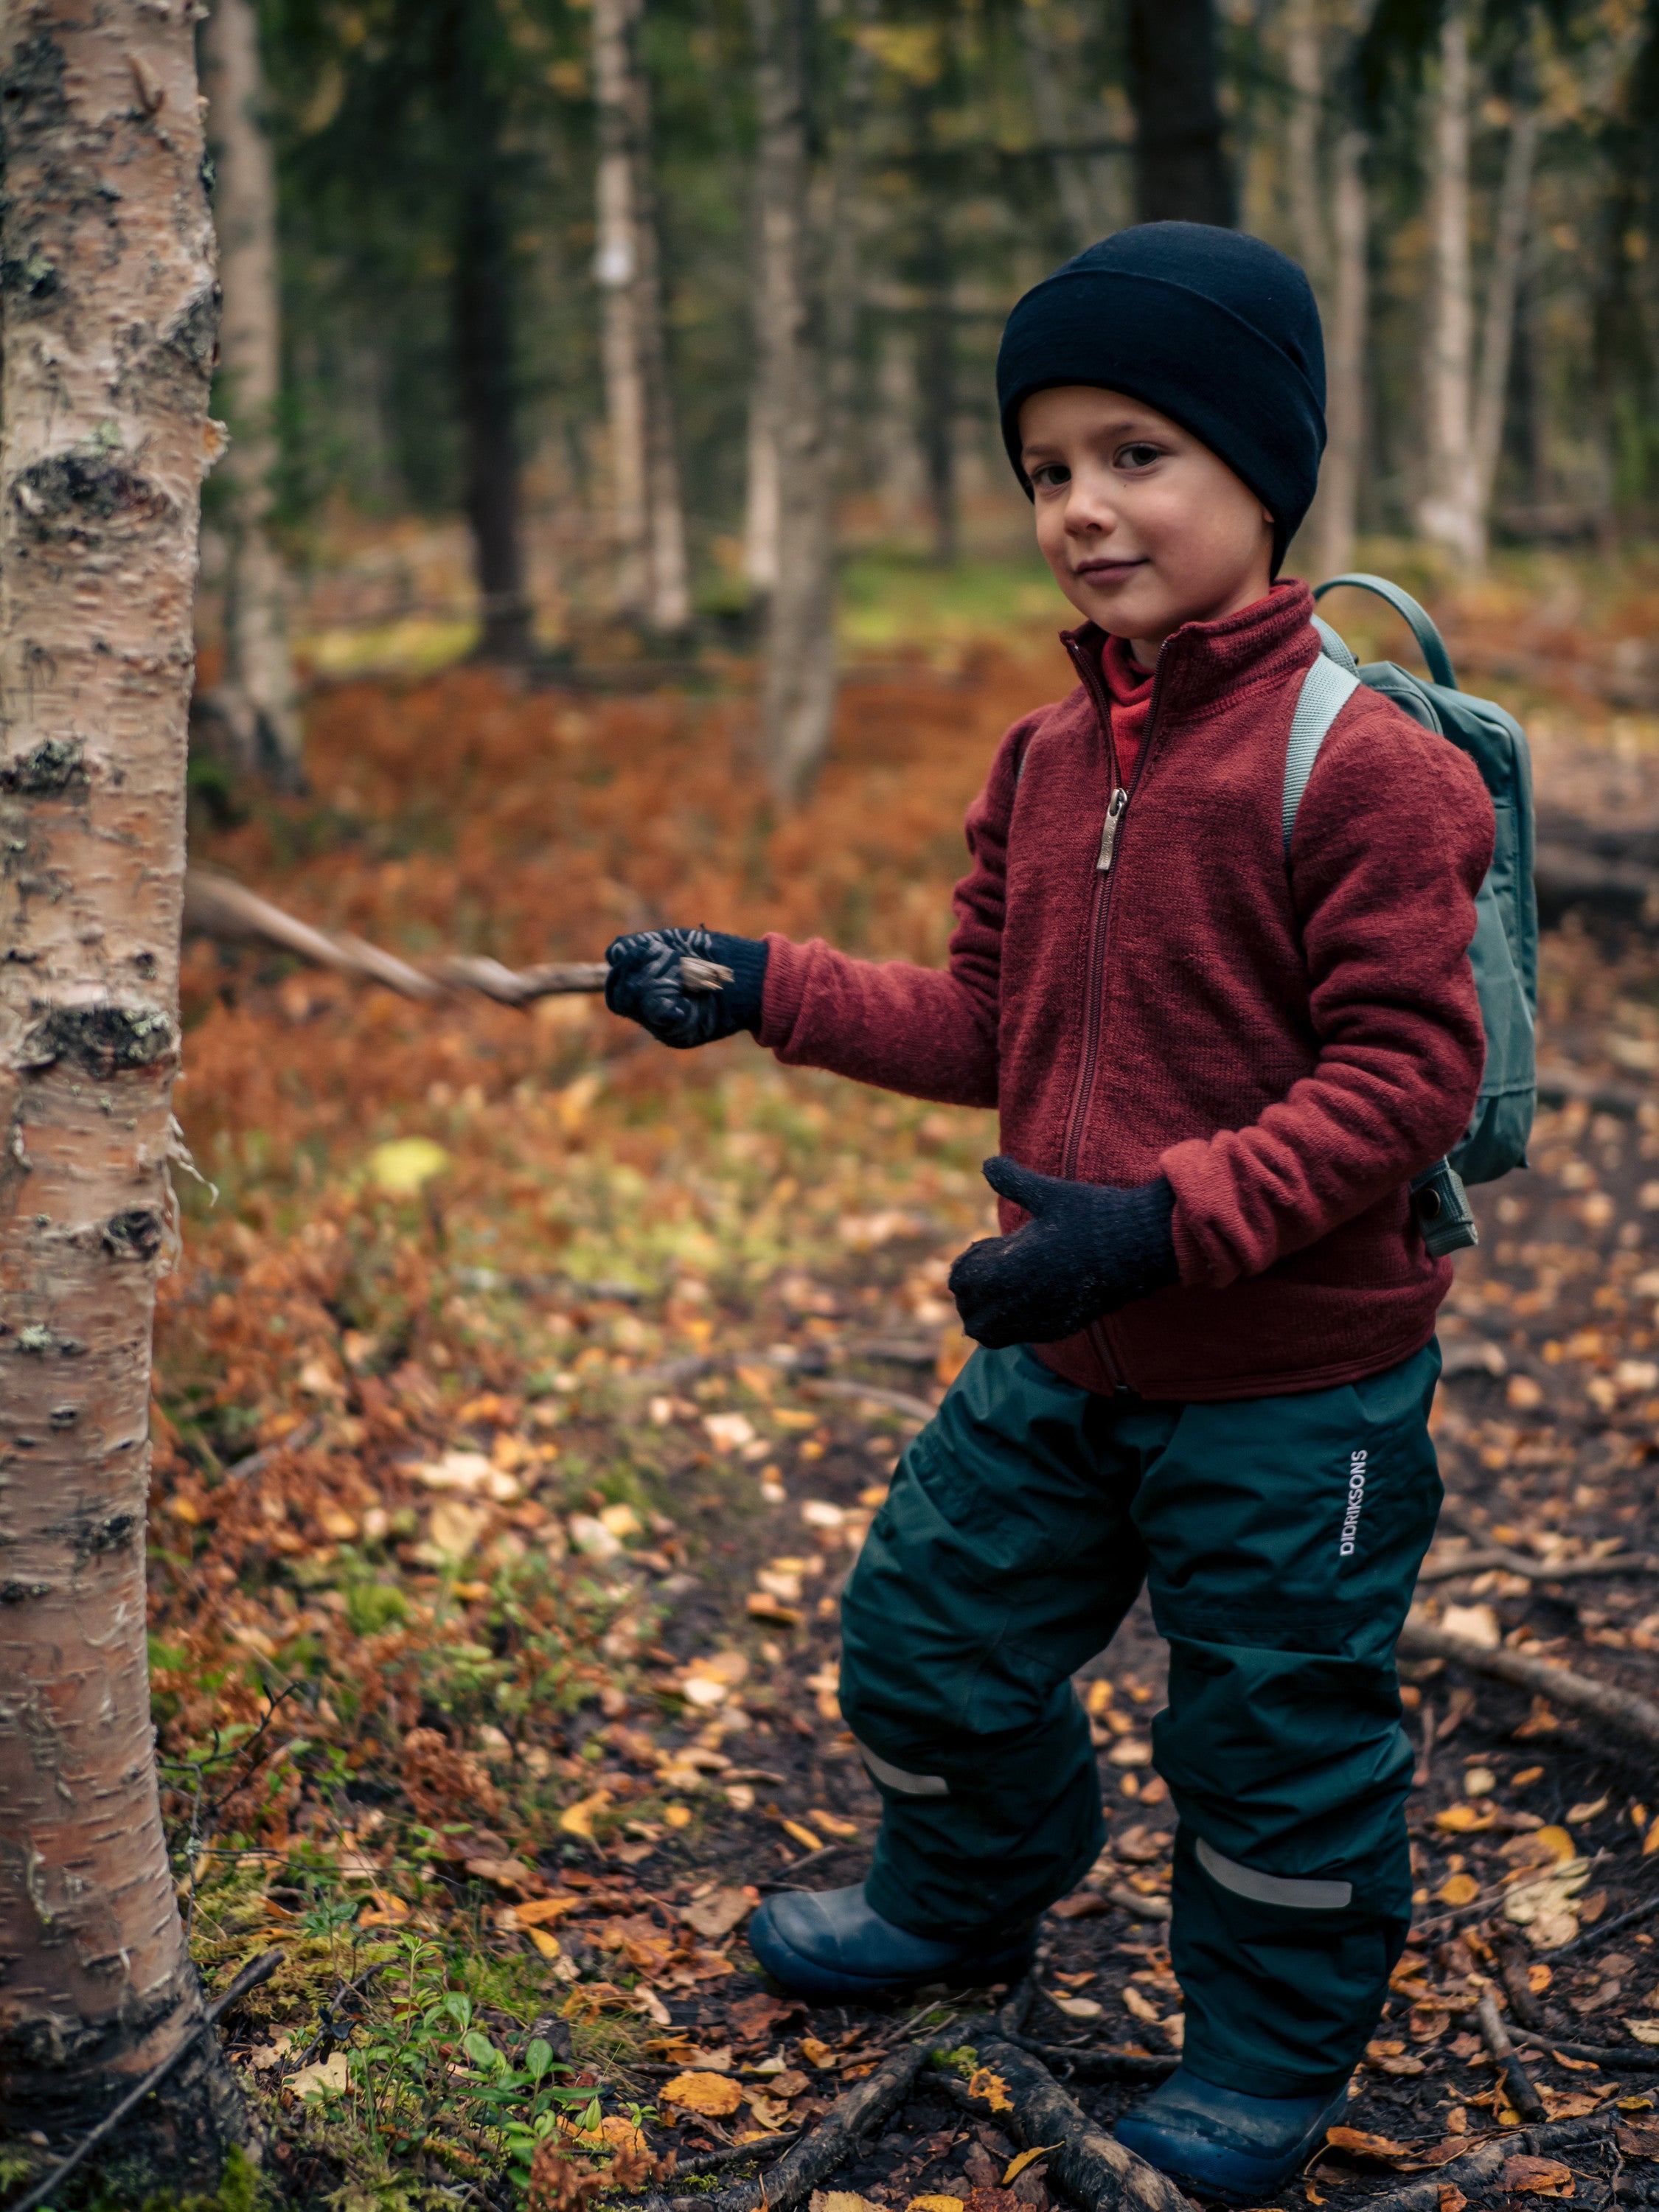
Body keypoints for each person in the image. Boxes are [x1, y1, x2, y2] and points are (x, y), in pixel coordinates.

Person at [603, 222, 1494, 2200]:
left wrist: (1157, 1226)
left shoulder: (1364, 772)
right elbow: (993, 1024)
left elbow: (1399, 1080)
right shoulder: (1042, 756)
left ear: (1265, 473)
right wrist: (764, 984)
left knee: (1272, 1741)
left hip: (1286, 1385)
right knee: (924, 1637)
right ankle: (966, 1894)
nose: (1079, 508)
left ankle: (1266, 2057)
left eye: (1133, 453)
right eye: (1042, 468)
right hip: (1063, 1347)